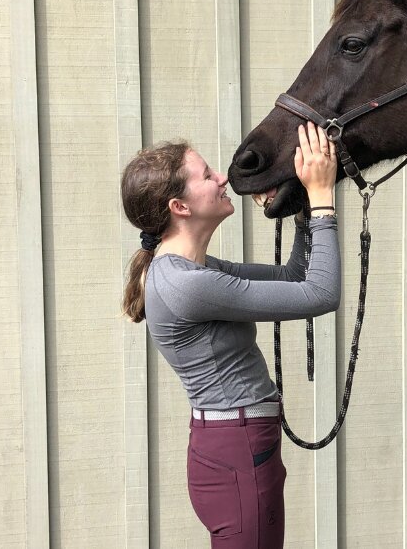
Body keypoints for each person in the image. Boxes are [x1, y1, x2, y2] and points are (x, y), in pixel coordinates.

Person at [120, 122, 340, 548]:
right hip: (237, 450)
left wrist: (300, 204)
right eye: (206, 175)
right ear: (179, 206)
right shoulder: (187, 285)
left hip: (235, 446)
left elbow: (295, 276)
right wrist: (322, 198)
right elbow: (320, 293)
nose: (222, 178)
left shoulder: (191, 271)